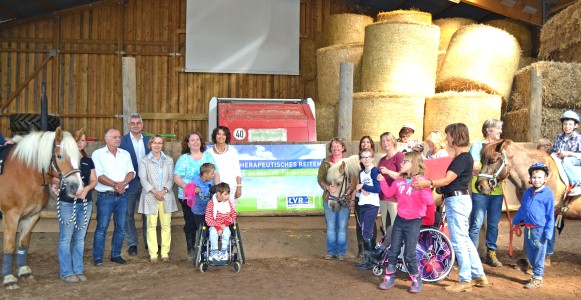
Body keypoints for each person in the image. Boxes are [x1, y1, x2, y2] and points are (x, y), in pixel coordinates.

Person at [412, 123, 487, 293]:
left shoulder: (461, 158)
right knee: (465, 238)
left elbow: (447, 180)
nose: (447, 138)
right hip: (459, 199)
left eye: (448, 135)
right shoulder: (463, 157)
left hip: (457, 201)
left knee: (458, 240)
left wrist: (428, 183)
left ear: (455, 136)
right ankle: (478, 274)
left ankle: (465, 278)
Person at [378, 151, 434, 293]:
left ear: (413, 164)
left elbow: (430, 202)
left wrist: (425, 189)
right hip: (400, 219)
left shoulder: (421, 181)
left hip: (414, 221)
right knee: (393, 249)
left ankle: (416, 279)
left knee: (409, 253)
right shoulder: (399, 181)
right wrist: (382, 181)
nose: (401, 163)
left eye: (405, 161)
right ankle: (389, 276)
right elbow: (389, 193)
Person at [56, 129, 97, 283]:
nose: (81, 143)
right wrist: (55, 185)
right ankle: (66, 271)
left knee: (80, 238)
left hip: (85, 203)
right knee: (66, 238)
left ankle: (78, 269)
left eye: (83, 140)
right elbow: (56, 177)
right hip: (67, 202)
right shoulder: (66, 159)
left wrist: (86, 189)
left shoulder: (88, 160)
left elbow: (94, 179)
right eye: (78, 140)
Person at [92, 128, 135, 267]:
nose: (118, 139)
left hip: (122, 195)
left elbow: (131, 172)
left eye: (119, 137)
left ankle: (115, 254)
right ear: (107, 139)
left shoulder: (125, 154)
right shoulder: (98, 154)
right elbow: (99, 176)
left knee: (121, 227)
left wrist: (124, 184)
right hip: (106, 195)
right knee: (101, 227)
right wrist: (116, 184)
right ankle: (98, 257)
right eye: (115, 137)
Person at [174, 131, 220, 261]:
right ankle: (192, 250)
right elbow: (177, 177)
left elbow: (216, 173)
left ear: (201, 142)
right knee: (191, 222)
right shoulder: (184, 159)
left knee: (208, 221)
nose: (195, 142)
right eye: (192, 140)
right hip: (189, 197)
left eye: (197, 139)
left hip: (207, 196)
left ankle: (207, 249)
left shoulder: (208, 157)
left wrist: (216, 188)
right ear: (187, 143)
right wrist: (188, 188)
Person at [468, 119, 505, 267]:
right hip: (480, 190)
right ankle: (471, 254)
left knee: (494, 224)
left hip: (496, 191)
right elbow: (475, 167)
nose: (500, 132)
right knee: (476, 223)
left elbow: (504, 168)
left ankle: (491, 253)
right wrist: (489, 174)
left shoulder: (502, 147)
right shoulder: (477, 145)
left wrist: (499, 175)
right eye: (498, 129)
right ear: (489, 131)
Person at [512, 162, 555, 289]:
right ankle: (535, 276)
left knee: (539, 254)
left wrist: (548, 232)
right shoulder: (528, 192)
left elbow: (550, 214)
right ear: (530, 179)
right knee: (531, 254)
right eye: (534, 177)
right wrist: (516, 221)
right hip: (528, 229)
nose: (536, 180)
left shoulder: (547, 194)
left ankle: (538, 277)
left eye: (540, 177)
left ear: (545, 179)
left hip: (539, 230)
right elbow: (523, 208)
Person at [138, 135, 177, 263]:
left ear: (162, 145)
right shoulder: (144, 160)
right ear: (150, 144)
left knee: (166, 225)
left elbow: (172, 178)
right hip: (150, 196)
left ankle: (165, 253)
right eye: (154, 143)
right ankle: (153, 254)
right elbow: (143, 179)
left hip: (166, 196)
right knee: (151, 226)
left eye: (160, 143)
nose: (157, 145)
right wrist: (155, 192)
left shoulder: (169, 160)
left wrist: (164, 191)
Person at [120, 113, 151, 256]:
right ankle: (132, 243)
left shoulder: (149, 141)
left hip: (147, 183)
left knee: (147, 214)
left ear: (142, 125)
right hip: (130, 182)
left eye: (138, 123)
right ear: (128, 125)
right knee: (127, 214)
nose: (135, 125)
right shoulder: (122, 141)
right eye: (132, 123)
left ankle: (148, 241)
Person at [317, 137, 351, 261]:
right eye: (333, 146)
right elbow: (320, 178)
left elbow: (352, 180)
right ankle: (331, 251)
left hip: (344, 199)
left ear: (343, 148)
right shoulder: (325, 163)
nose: (336, 148)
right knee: (331, 226)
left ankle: (341, 252)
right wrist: (326, 187)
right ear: (330, 149)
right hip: (329, 199)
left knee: (342, 226)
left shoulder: (348, 163)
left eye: (338, 146)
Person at [353, 148, 381, 270]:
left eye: (368, 157)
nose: (366, 159)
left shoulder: (374, 171)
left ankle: (372, 261)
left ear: (373, 158)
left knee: (367, 232)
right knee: (365, 231)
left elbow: (377, 188)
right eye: (364, 157)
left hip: (372, 205)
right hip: (363, 204)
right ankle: (367, 259)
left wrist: (364, 186)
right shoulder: (361, 173)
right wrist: (360, 190)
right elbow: (363, 189)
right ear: (360, 159)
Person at [206, 126, 242, 210]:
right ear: (215, 136)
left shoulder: (233, 151)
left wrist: (239, 187)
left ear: (227, 137)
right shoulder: (208, 153)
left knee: (230, 215)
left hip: (231, 188)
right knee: (217, 215)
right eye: (218, 134)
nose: (221, 137)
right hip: (216, 189)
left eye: (224, 134)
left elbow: (237, 171)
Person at [378, 132, 403, 234]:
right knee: (386, 227)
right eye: (383, 141)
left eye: (387, 140)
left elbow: (402, 176)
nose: (385, 143)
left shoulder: (399, 156)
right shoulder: (382, 160)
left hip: (395, 199)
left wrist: (388, 172)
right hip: (383, 198)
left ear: (393, 141)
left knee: (395, 228)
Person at [552, 110, 581, 196]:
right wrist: (554, 154)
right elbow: (554, 150)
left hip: (575, 159)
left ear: (575, 125)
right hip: (560, 159)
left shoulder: (579, 138)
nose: (567, 126)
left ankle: (577, 184)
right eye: (565, 124)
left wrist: (568, 153)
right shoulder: (558, 137)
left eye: (570, 124)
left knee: (566, 161)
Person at [205, 182, 237, 261]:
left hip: (225, 225)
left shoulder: (228, 203)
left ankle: (224, 251)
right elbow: (208, 218)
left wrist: (226, 223)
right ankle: (214, 251)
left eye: (228, 194)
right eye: (225, 194)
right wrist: (218, 227)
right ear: (219, 194)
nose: (228, 196)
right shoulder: (211, 203)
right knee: (212, 232)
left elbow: (233, 215)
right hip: (214, 225)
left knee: (227, 232)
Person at [191, 163, 216, 247]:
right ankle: (203, 247)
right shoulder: (195, 181)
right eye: (212, 173)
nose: (213, 175)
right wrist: (194, 189)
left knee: (210, 228)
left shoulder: (212, 181)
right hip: (198, 210)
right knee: (201, 229)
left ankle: (210, 246)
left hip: (209, 210)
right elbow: (189, 189)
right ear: (205, 174)